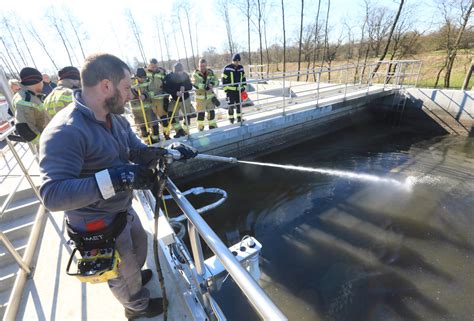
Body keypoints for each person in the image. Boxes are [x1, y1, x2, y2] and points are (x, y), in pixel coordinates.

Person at [39, 53, 197, 319]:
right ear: (106, 86)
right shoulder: (66, 131)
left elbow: (134, 150)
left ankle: (133, 276)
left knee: (139, 245)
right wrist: (116, 179)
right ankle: (136, 307)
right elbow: (52, 195)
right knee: (124, 273)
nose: (131, 95)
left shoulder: (115, 118)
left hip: (121, 209)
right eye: (126, 88)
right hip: (97, 222)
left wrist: (163, 153)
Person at [13, 67, 46, 143]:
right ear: (37, 82)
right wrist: (45, 142)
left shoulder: (30, 96)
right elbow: (24, 129)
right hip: (47, 144)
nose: (43, 84)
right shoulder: (25, 99)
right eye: (42, 82)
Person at [163, 62, 194, 138]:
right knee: (171, 114)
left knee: (187, 116)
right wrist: (175, 92)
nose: (180, 73)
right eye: (178, 72)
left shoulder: (185, 75)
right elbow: (166, 88)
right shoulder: (169, 77)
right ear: (174, 71)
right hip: (174, 99)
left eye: (181, 71)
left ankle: (185, 131)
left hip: (185, 99)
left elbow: (190, 86)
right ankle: (179, 131)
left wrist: (184, 87)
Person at [130, 67, 160, 144]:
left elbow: (152, 92)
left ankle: (155, 140)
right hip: (137, 111)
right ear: (137, 77)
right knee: (143, 129)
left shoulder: (148, 81)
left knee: (154, 125)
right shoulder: (130, 83)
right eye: (142, 78)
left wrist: (145, 95)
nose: (144, 79)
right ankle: (147, 142)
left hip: (148, 109)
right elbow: (128, 95)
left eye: (144, 77)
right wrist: (134, 92)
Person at [192, 58, 219, 131]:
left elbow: (217, 81)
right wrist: (204, 86)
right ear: (198, 66)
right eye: (201, 66)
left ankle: (212, 126)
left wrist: (212, 83)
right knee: (201, 115)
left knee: (211, 113)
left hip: (210, 98)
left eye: (204, 66)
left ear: (206, 65)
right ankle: (200, 129)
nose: (202, 67)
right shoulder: (195, 74)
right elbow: (195, 83)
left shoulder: (210, 72)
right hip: (200, 99)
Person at [146, 58, 170, 139]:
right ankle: (155, 138)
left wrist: (166, 95)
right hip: (150, 101)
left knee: (164, 119)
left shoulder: (162, 72)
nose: (154, 68)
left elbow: (166, 84)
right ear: (149, 65)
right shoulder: (145, 73)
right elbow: (142, 85)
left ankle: (166, 135)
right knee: (153, 121)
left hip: (160, 100)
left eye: (155, 67)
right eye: (152, 67)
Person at [222, 53, 246, 124]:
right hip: (230, 91)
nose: (237, 63)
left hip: (239, 91)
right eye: (236, 61)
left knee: (239, 105)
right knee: (231, 106)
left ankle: (239, 119)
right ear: (233, 60)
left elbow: (244, 78)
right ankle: (231, 120)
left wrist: (243, 87)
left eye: (238, 61)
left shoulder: (241, 68)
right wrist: (226, 89)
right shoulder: (227, 68)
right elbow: (223, 80)